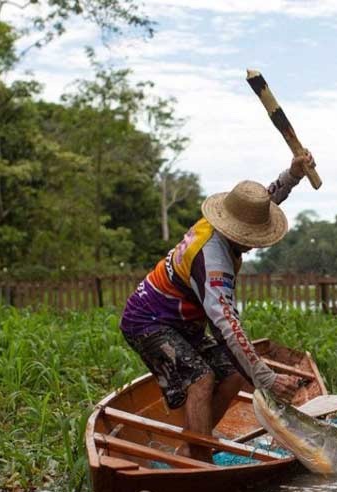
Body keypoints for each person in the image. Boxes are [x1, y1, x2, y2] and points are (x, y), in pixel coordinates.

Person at [119, 151, 315, 462]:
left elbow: (262, 203)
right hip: (149, 320)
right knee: (201, 378)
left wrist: (293, 175)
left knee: (234, 373)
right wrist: (266, 378)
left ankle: (196, 440)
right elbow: (227, 326)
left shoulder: (228, 222)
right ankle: (198, 456)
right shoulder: (213, 260)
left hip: (182, 322)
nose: (253, 243)